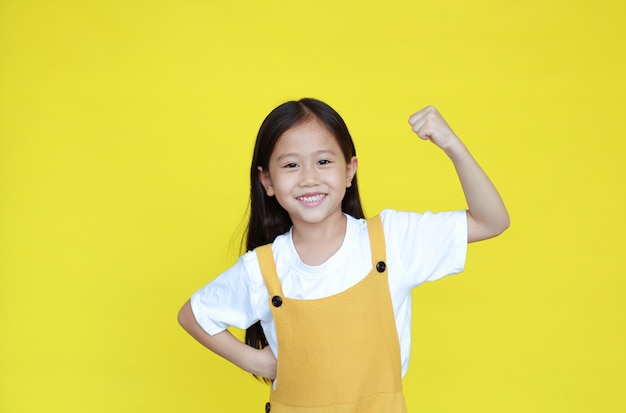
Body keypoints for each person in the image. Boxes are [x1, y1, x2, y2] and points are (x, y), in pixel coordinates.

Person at [178, 98, 509, 412]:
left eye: (323, 161)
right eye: (291, 165)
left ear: (350, 170)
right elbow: (193, 315)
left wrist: (452, 145)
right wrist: (256, 361)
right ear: (267, 180)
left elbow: (491, 221)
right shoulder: (263, 268)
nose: (309, 178)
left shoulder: (392, 241)